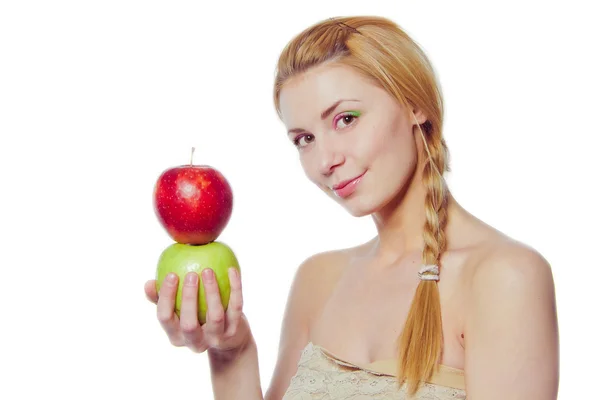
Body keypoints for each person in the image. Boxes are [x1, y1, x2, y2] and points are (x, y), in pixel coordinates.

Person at [144, 15, 560, 399]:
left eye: (345, 119)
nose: (324, 160)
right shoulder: (318, 279)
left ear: (414, 104)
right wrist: (231, 352)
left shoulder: (505, 278)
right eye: (303, 139)